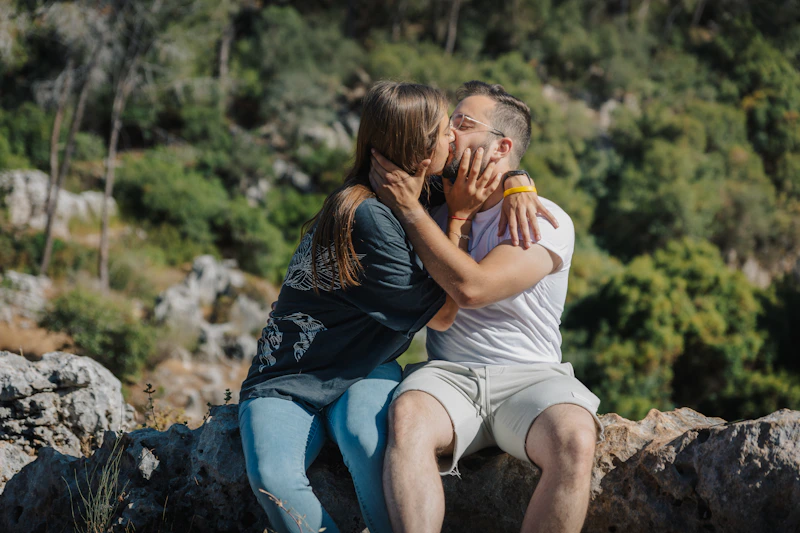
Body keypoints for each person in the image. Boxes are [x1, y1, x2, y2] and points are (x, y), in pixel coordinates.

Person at [237, 80, 547, 533]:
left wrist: (519, 181)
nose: (454, 139)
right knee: (274, 478)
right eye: (446, 131)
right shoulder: (367, 216)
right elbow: (443, 313)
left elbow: (495, 167)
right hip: (290, 375)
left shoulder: (422, 189)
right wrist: (459, 221)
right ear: (422, 155)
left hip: (368, 365)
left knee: (371, 451)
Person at [369, 81, 604, 533]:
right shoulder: (434, 205)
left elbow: (473, 289)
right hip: (449, 374)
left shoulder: (544, 220)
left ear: (502, 147)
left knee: (576, 438)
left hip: (531, 379)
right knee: (408, 416)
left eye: (463, 123)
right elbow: (382, 152)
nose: (448, 131)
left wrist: (514, 181)